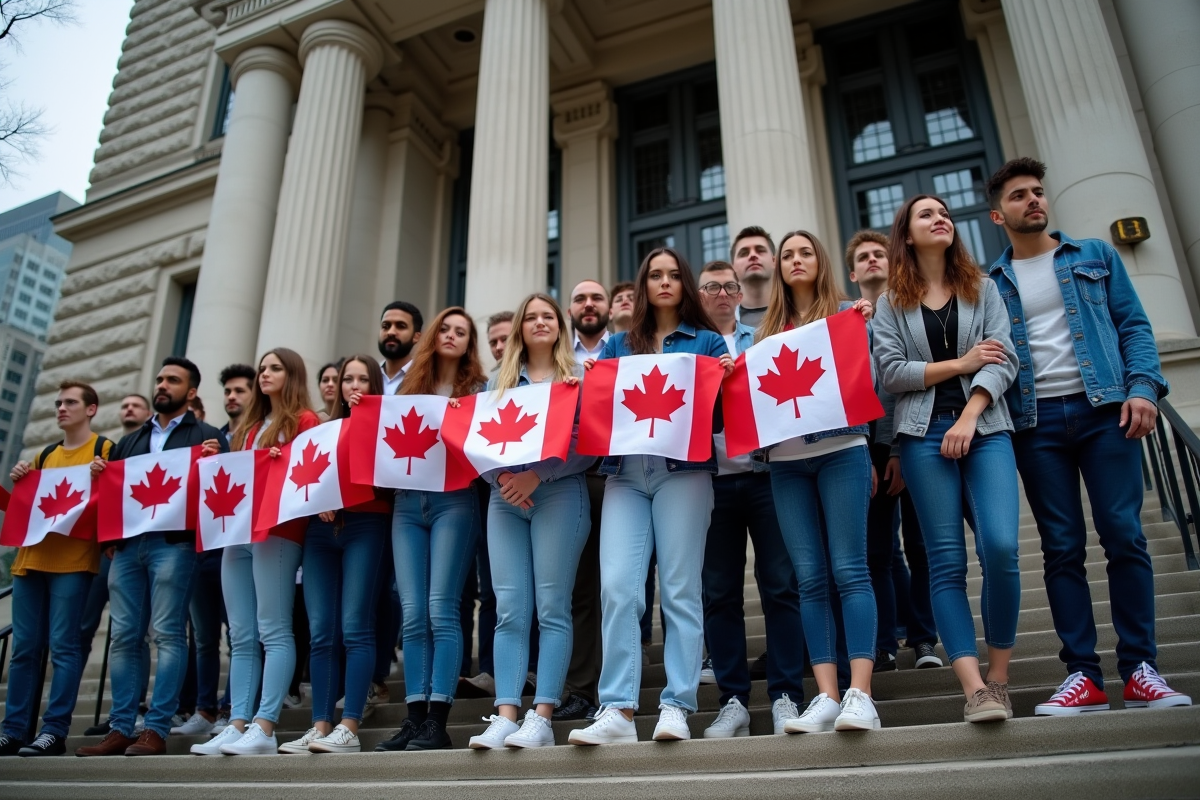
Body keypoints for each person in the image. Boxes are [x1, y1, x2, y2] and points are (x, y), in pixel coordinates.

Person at [985, 157, 1192, 713]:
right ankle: (1084, 676)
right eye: (1020, 196)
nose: (1034, 201)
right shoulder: (991, 282)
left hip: (1106, 412)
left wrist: (1144, 389)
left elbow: (1134, 326)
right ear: (997, 215)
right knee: (1060, 549)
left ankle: (1142, 669)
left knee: (1124, 533)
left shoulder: (1095, 256)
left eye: (1038, 192)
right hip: (1035, 423)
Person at [569, 248, 734, 746]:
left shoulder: (707, 340)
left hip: (683, 473)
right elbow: (600, 418)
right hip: (623, 475)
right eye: (654, 276)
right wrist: (585, 389)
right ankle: (617, 708)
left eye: (672, 275)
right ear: (643, 286)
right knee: (618, 587)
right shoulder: (617, 345)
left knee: (681, 589)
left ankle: (677, 705)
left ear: (685, 284)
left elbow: (720, 424)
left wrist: (724, 384)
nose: (664, 283)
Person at [873, 195, 1022, 723]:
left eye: (945, 213)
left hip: (984, 430)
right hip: (919, 435)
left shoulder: (983, 289)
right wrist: (961, 362)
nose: (941, 219)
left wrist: (969, 412)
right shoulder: (892, 302)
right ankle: (974, 687)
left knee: (1001, 547)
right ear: (908, 236)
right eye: (926, 215)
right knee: (945, 563)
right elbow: (890, 373)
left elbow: (1004, 358)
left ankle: (1000, 677)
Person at [753, 230, 880, 734]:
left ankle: (861, 695)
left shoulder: (850, 315)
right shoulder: (764, 333)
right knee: (809, 578)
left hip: (842, 451)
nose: (796, 260)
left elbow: (873, 382)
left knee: (850, 570)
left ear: (820, 262)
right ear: (779, 268)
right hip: (785, 463)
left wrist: (866, 326)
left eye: (806, 252)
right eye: (788, 255)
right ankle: (827, 695)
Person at [77, 358, 228, 757]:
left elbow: (224, 490)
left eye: (173, 380)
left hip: (174, 546)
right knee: (125, 637)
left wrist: (216, 460)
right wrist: (100, 479)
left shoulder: (208, 436)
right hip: (128, 548)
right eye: (160, 379)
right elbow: (113, 491)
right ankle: (122, 727)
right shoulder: (129, 441)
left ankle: (157, 728)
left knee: (168, 634)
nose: (162, 385)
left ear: (191, 392)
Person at [468, 294, 596, 749]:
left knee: (552, 606)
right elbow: (477, 442)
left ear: (560, 327)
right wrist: (503, 478)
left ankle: (541, 715)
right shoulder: (495, 385)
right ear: (520, 328)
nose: (540, 322)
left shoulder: (578, 379)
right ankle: (505, 713)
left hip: (559, 494)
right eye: (531, 317)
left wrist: (535, 475)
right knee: (509, 610)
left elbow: (590, 442)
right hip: (504, 500)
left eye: (548, 316)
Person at [694, 261, 806, 738]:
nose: (722, 293)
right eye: (711, 287)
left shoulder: (764, 340)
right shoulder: (687, 349)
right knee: (719, 596)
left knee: (781, 586)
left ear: (741, 293)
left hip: (766, 475)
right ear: (698, 295)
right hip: (708, 483)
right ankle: (733, 700)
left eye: (729, 286)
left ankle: (785, 695)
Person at [193, 348, 321, 756]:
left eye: (275, 368)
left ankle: (265, 726)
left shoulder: (304, 421)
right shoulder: (246, 427)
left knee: (274, 629)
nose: (265, 374)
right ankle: (236, 723)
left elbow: (310, 474)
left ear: (292, 375)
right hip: (236, 533)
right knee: (242, 635)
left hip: (278, 532)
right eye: (263, 368)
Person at [376, 306, 487, 752]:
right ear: (432, 336)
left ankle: (436, 721)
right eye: (446, 328)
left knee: (442, 607)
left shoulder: (479, 389)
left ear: (468, 343)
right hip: (406, 503)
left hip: (455, 501)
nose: (452, 336)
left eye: (462, 332)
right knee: (413, 613)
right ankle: (413, 716)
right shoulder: (405, 387)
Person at [278, 356, 395, 754]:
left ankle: (350, 726)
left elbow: (394, 478)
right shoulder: (320, 430)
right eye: (348, 379)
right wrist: (317, 496)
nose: (354, 385)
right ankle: (321, 724)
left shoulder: (383, 426)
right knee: (322, 631)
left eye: (364, 378)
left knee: (355, 626)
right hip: (319, 533)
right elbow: (301, 482)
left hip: (367, 525)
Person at [846, 230, 942, 672]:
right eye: (862, 257)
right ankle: (884, 643)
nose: (871, 261)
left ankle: (923, 639)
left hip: (917, 438)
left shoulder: (912, 307)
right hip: (868, 447)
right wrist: (867, 454)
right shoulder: (843, 321)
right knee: (876, 553)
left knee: (921, 546)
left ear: (892, 260)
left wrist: (902, 448)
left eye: (877, 254)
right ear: (852, 271)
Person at [0, 382, 113, 757]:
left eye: (70, 402)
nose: (61, 408)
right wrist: (20, 480)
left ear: (91, 409)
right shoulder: (44, 455)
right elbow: (27, 507)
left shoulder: (104, 450)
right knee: (24, 651)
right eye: (58, 403)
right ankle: (14, 730)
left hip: (73, 563)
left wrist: (104, 477)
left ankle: (54, 731)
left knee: (64, 647)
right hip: (29, 562)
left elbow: (112, 506)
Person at [556, 280, 613, 720]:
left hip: (624, 478)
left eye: (596, 298)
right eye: (580, 298)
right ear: (570, 308)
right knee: (580, 591)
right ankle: (580, 688)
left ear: (609, 306)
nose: (588, 305)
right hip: (574, 479)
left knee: (623, 588)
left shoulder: (629, 348)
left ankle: (623, 686)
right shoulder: (556, 356)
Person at [730, 226, 776, 328]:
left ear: (774, 261)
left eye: (760, 250)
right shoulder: (722, 323)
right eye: (744, 253)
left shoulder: (799, 313)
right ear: (733, 267)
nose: (752, 255)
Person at [379, 301, 423, 395]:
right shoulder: (366, 376)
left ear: (416, 336)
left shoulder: (426, 379)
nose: (391, 332)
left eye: (400, 326)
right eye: (385, 326)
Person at [219, 364, 256, 442]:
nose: (231, 397)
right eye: (227, 392)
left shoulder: (261, 437)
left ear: (255, 395)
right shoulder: (215, 437)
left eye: (239, 391)